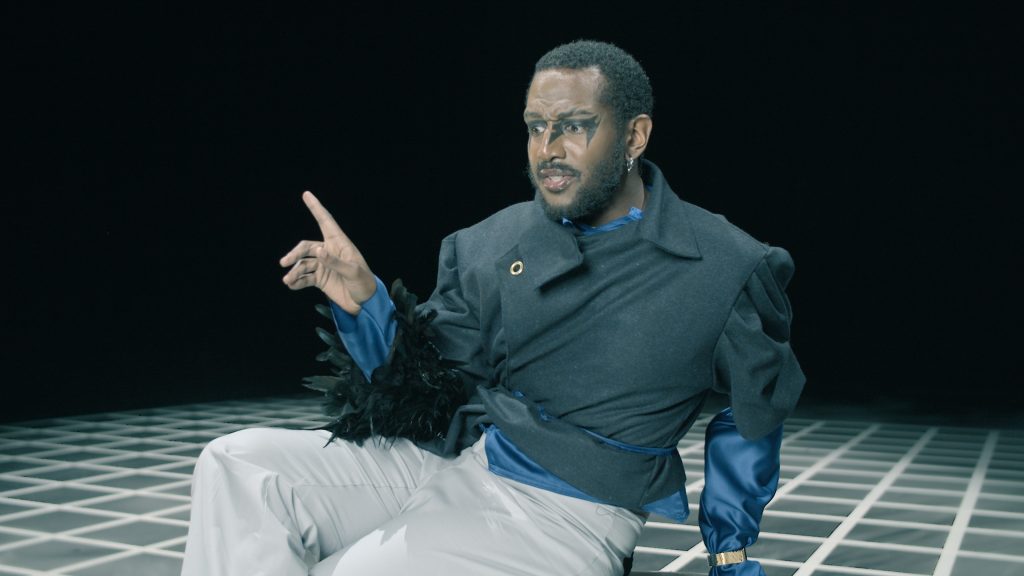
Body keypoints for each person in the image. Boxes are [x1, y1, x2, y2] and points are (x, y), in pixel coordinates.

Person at [181, 40, 805, 576]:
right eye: (535, 127)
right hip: (457, 457)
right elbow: (432, 390)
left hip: (568, 510)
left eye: (574, 125)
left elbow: (752, 415)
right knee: (239, 467)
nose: (548, 148)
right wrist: (365, 302)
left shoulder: (725, 264)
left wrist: (730, 549)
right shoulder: (492, 242)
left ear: (634, 135)